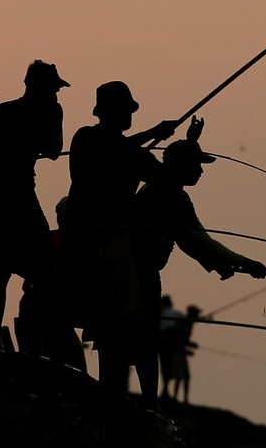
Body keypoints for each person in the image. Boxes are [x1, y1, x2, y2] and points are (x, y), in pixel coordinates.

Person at [58, 80, 178, 406]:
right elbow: (119, 154)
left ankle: (111, 402)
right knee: (115, 334)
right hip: (105, 252)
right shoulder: (92, 140)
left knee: (113, 334)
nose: (130, 116)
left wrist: (165, 143)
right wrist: (158, 135)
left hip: (97, 251)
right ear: (112, 112)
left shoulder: (109, 146)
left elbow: (151, 169)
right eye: (126, 110)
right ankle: (116, 404)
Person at [0, 60, 84, 370]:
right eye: (54, 88)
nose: (57, 93)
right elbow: (53, 150)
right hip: (20, 198)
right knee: (43, 272)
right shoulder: (50, 112)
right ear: (39, 87)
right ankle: (34, 346)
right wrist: (35, 129)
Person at [132, 117, 266, 316]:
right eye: (196, 164)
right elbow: (199, 240)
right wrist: (246, 263)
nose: (201, 170)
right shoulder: (165, 197)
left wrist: (215, 264)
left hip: (142, 272)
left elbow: (187, 241)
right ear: (183, 166)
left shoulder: (169, 194)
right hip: (136, 276)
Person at [160, 303, 201, 404]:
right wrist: (190, 345)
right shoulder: (184, 323)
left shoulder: (187, 323)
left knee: (182, 376)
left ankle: (180, 398)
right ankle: (177, 398)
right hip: (176, 352)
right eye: (196, 314)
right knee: (181, 375)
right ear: (192, 314)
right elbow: (179, 339)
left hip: (179, 351)